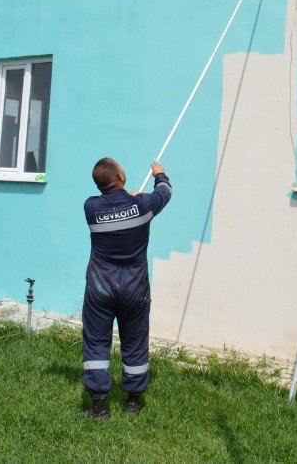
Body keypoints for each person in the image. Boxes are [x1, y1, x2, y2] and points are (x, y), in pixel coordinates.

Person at [82, 158, 172, 418]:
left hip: (100, 288)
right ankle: (133, 401)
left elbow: (114, 207)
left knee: (97, 343)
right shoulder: (142, 206)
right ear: (121, 175)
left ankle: (98, 407)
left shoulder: (91, 207)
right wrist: (160, 173)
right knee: (134, 340)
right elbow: (164, 193)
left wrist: (126, 200)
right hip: (135, 288)